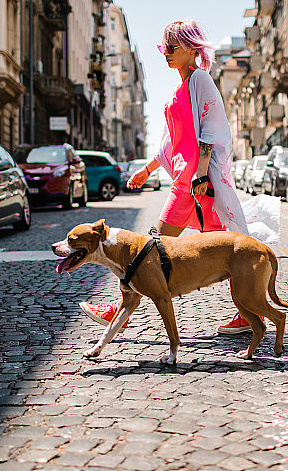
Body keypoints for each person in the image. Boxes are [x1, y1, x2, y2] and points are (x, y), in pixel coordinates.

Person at [79, 19, 255, 335]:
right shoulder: (180, 89)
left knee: (152, 248)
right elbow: (170, 142)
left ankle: (118, 314)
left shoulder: (200, 79)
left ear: (192, 48)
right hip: (189, 182)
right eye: (165, 47)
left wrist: (201, 173)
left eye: (173, 46)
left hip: (195, 184)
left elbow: (211, 127)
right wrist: (147, 170)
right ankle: (248, 312)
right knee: (223, 249)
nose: (167, 53)